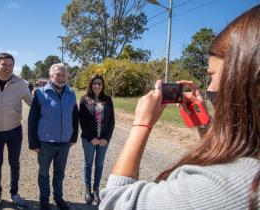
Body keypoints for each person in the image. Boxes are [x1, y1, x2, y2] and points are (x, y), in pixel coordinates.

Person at [100, 5, 260, 210]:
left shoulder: (222, 187)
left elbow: (115, 202)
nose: (209, 87)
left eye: (211, 75)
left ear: (243, 78)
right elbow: (231, 151)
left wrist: (141, 123)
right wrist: (203, 122)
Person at [0, 53, 33, 210]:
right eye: (4, 64)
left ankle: (14, 194)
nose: (7, 68)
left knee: (14, 164)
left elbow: (32, 103)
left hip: (14, 131)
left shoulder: (21, 83)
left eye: (10, 65)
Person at [28, 63, 79, 210]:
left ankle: (58, 197)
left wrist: (73, 138)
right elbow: (32, 120)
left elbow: (75, 118)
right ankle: (44, 201)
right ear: (51, 76)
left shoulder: (71, 94)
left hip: (64, 143)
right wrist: (34, 144)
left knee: (60, 172)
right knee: (44, 173)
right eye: (58, 74)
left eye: (64, 75)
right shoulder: (40, 93)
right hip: (45, 143)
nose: (61, 77)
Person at [79, 75, 115, 205]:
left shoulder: (108, 100)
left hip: (103, 141)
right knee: (88, 164)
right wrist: (91, 138)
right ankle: (88, 189)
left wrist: (106, 138)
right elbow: (82, 121)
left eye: (99, 83)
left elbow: (112, 121)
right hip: (89, 140)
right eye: (94, 83)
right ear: (91, 85)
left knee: (99, 164)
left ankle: (96, 189)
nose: (97, 86)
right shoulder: (84, 99)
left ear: (102, 85)